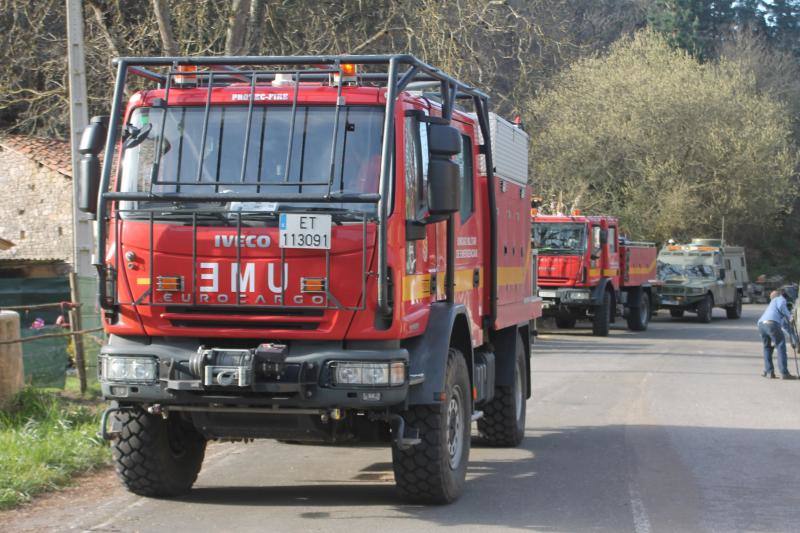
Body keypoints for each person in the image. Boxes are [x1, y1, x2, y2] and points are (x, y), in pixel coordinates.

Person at [757, 290, 797, 379]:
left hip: (761, 325)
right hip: (772, 323)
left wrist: (793, 339)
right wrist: (790, 317)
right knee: (780, 345)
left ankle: (769, 372)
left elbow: (784, 325)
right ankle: (784, 373)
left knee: (767, 348)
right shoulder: (779, 299)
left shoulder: (771, 306)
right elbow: (782, 306)